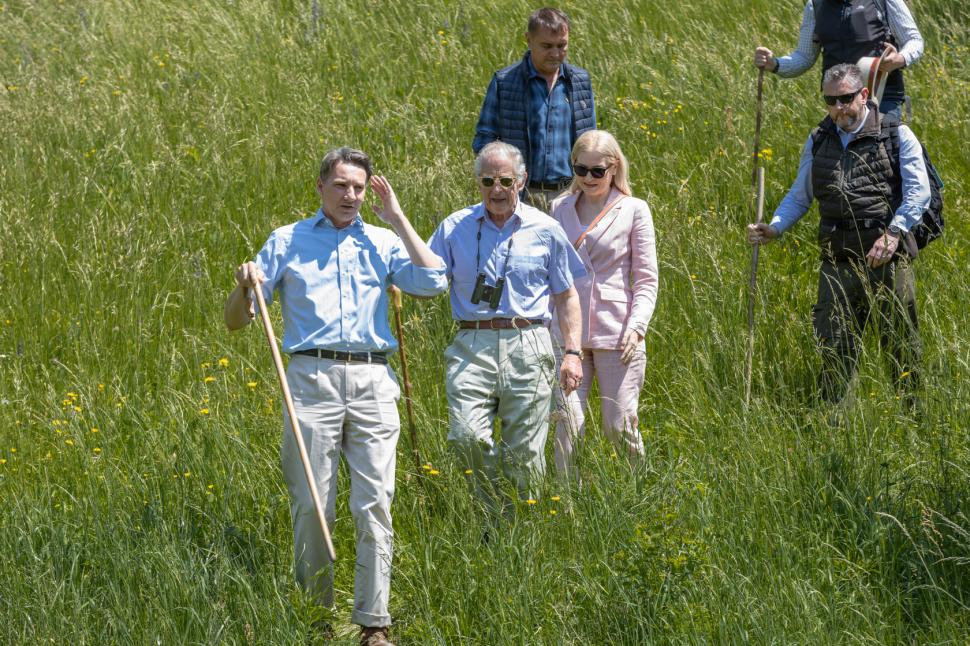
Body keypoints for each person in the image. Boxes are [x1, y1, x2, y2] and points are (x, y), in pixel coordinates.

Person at [224, 147, 447, 646]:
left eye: (359, 188)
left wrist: (398, 217)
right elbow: (237, 319)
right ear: (321, 187)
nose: (351, 196)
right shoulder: (287, 240)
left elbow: (433, 282)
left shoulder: (383, 240)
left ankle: (374, 624)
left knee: (375, 502)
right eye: (342, 185)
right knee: (312, 505)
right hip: (310, 380)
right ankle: (316, 622)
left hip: (372, 380)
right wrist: (243, 288)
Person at [746, 64, 929, 411]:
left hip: (886, 261)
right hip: (837, 262)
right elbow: (801, 195)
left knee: (901, 348)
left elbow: (919, 193)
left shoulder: (896, 133)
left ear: (863, 94)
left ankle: (915, 423)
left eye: (845, 98)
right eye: (831, 100)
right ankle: (834, 431)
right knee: (834, 351)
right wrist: (775, 227)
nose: (838, 108)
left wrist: (893, 233)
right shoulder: (818, 139)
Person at [428, 141, 586, 513]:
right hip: (472, 341)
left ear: (522, 180)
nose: (496, 189)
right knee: (466, 437)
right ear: (478, 181)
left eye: (505, 180)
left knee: (527, 454)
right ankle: (491, 511)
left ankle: (518, 532)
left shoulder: (546, 229)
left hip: (529, 341)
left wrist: (573, 353)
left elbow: (567, 296)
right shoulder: (455, 227)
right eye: (487, 180)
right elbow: (428, 277)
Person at [548, 130, 658, 476]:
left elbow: (646, 278)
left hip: (618, 331)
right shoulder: (558, 208)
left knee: (618, 424)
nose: (589, 178)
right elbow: (551, 272)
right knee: (566, 424)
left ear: (614, 168)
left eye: (598, 171)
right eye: (582, 170)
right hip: (569, 336)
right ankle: (565, 507)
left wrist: (637, 326)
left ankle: (638, 494)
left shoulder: (634, 209)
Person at [472, 7, 596, 212]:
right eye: (547, 46)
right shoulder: (505, 82)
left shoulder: (580, 81)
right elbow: (484, 141)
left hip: (569, 196)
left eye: (562, 45)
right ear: (528, 40)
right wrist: (500, 186)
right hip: (520, 196)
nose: (555, 53)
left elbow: (589, 143)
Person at [753, 0, 924, 118]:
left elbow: (914, 40)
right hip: (839, 103)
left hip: (882, 99)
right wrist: (775, 64)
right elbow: (805, 56)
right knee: (821, 160)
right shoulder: (815, 5)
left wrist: (900, 59)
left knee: (892, 156)